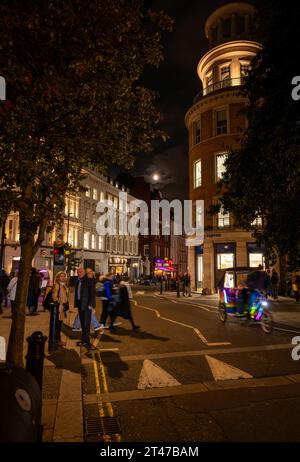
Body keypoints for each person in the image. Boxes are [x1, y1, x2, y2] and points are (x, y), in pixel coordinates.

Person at [74, 267, 95, 349]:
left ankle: (87, 342)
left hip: (86, 305)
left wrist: (91, 304)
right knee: (82, 323)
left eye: (81, 272)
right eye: (78, 272)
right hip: (80, 304)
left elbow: (92, 293)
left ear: (84, 272)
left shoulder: (88, 280)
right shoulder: (78, 280)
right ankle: (84, 340)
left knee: (86, 324)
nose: (80, 273)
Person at [52, 271, 69, 346]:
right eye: (61, 276)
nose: (63, 277)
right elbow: (54, 297)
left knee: (59, 325)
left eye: (64, 276)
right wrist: (59, 304)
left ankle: (58, 340)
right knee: (57, 325)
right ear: (58, 277)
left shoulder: (63, 285)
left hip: (62, 308)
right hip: (59, 308)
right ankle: (57, 341)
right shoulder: (57, 285)